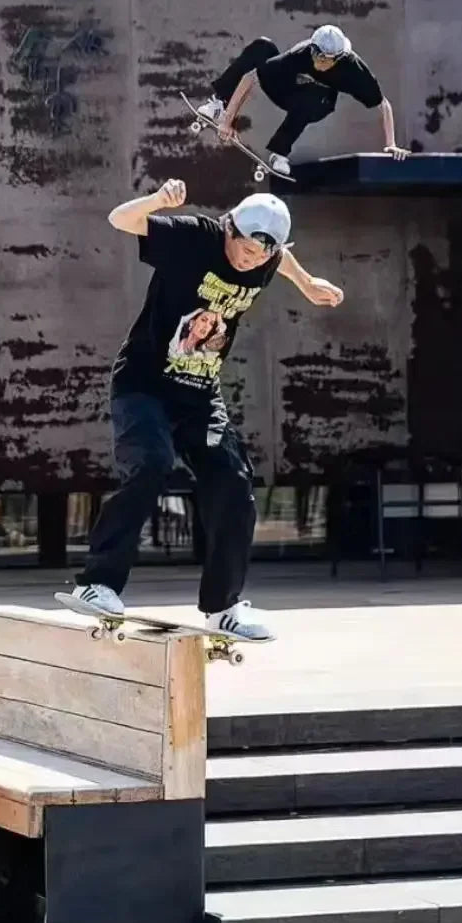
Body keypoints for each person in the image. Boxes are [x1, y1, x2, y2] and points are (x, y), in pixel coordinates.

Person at [69, 179, 343, 641]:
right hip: (144, 384)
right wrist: (157, 201)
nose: (249, 262)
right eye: (244, 252)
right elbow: (121, 219)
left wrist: (307, 281)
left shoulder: (267, 257)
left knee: (234, 484)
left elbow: (282, 258)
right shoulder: (194, 236)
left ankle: (223, 607)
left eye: (260, 259)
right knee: (152, 463)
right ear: (230, 229)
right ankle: (97, 583)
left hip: (199, 393)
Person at [198, 24, 409, 177]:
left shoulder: (355, 70)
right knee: (262, 46)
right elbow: (250, 77)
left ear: (338, 58)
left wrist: (390, 144)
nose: (318, 63)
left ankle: (279, 152)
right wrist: (228, 119)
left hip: (315, 104)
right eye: (316, 57)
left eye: (325, 61)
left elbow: (383, 104)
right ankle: (219, 103)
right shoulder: (302, 52)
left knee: (318, 95)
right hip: (284, 90)